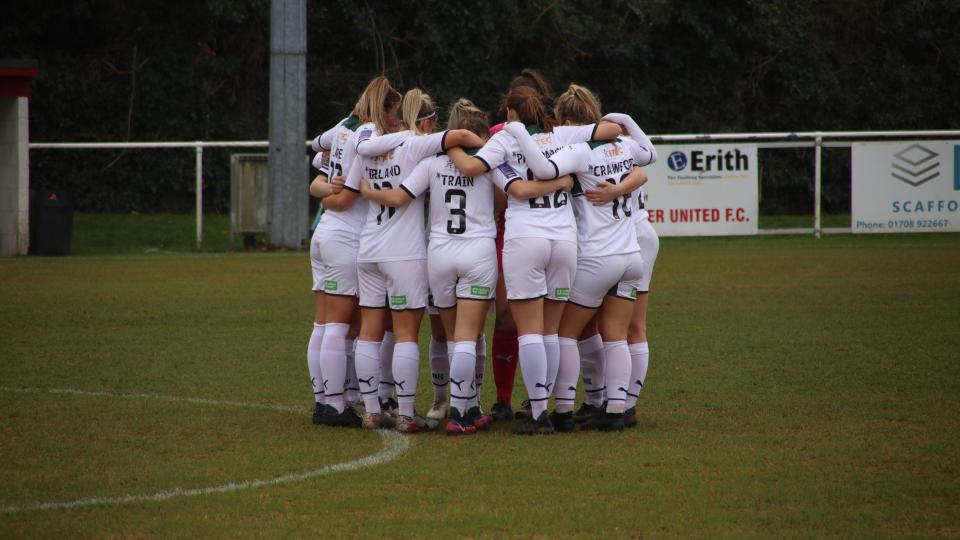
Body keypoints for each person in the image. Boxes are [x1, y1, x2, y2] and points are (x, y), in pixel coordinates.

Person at [502, 84, 657, 431]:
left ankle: (562, 410)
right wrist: (626, 120)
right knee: (615, 333)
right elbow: (650, 155)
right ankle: (617, 410)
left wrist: (517, 133)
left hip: (597, 255)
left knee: (565, 333)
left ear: (568, 119)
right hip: (631, 255)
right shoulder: (623, 145)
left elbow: (542, 169)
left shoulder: (579, 150)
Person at [361, 98, 513, 435]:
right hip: (477, 252)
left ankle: (465, 404)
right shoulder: (489, 162)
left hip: (439, 255)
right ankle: (461, 413)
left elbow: (400, 197)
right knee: (467, 338)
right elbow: (509, 198)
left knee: (449, 337)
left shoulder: (431, 164)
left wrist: (367, 192)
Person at [308, 76, 401, 427]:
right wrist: (331, 193)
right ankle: (333, 406)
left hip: (324, 235)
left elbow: (318, 147)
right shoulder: (370, 137)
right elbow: (346, 199)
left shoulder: (345, 127)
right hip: (345, 237)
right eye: (396, 115)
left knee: (324, 323)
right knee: (337, 325)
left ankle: (327, 400)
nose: (398, 122)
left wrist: (320, 186)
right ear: (386, 112)